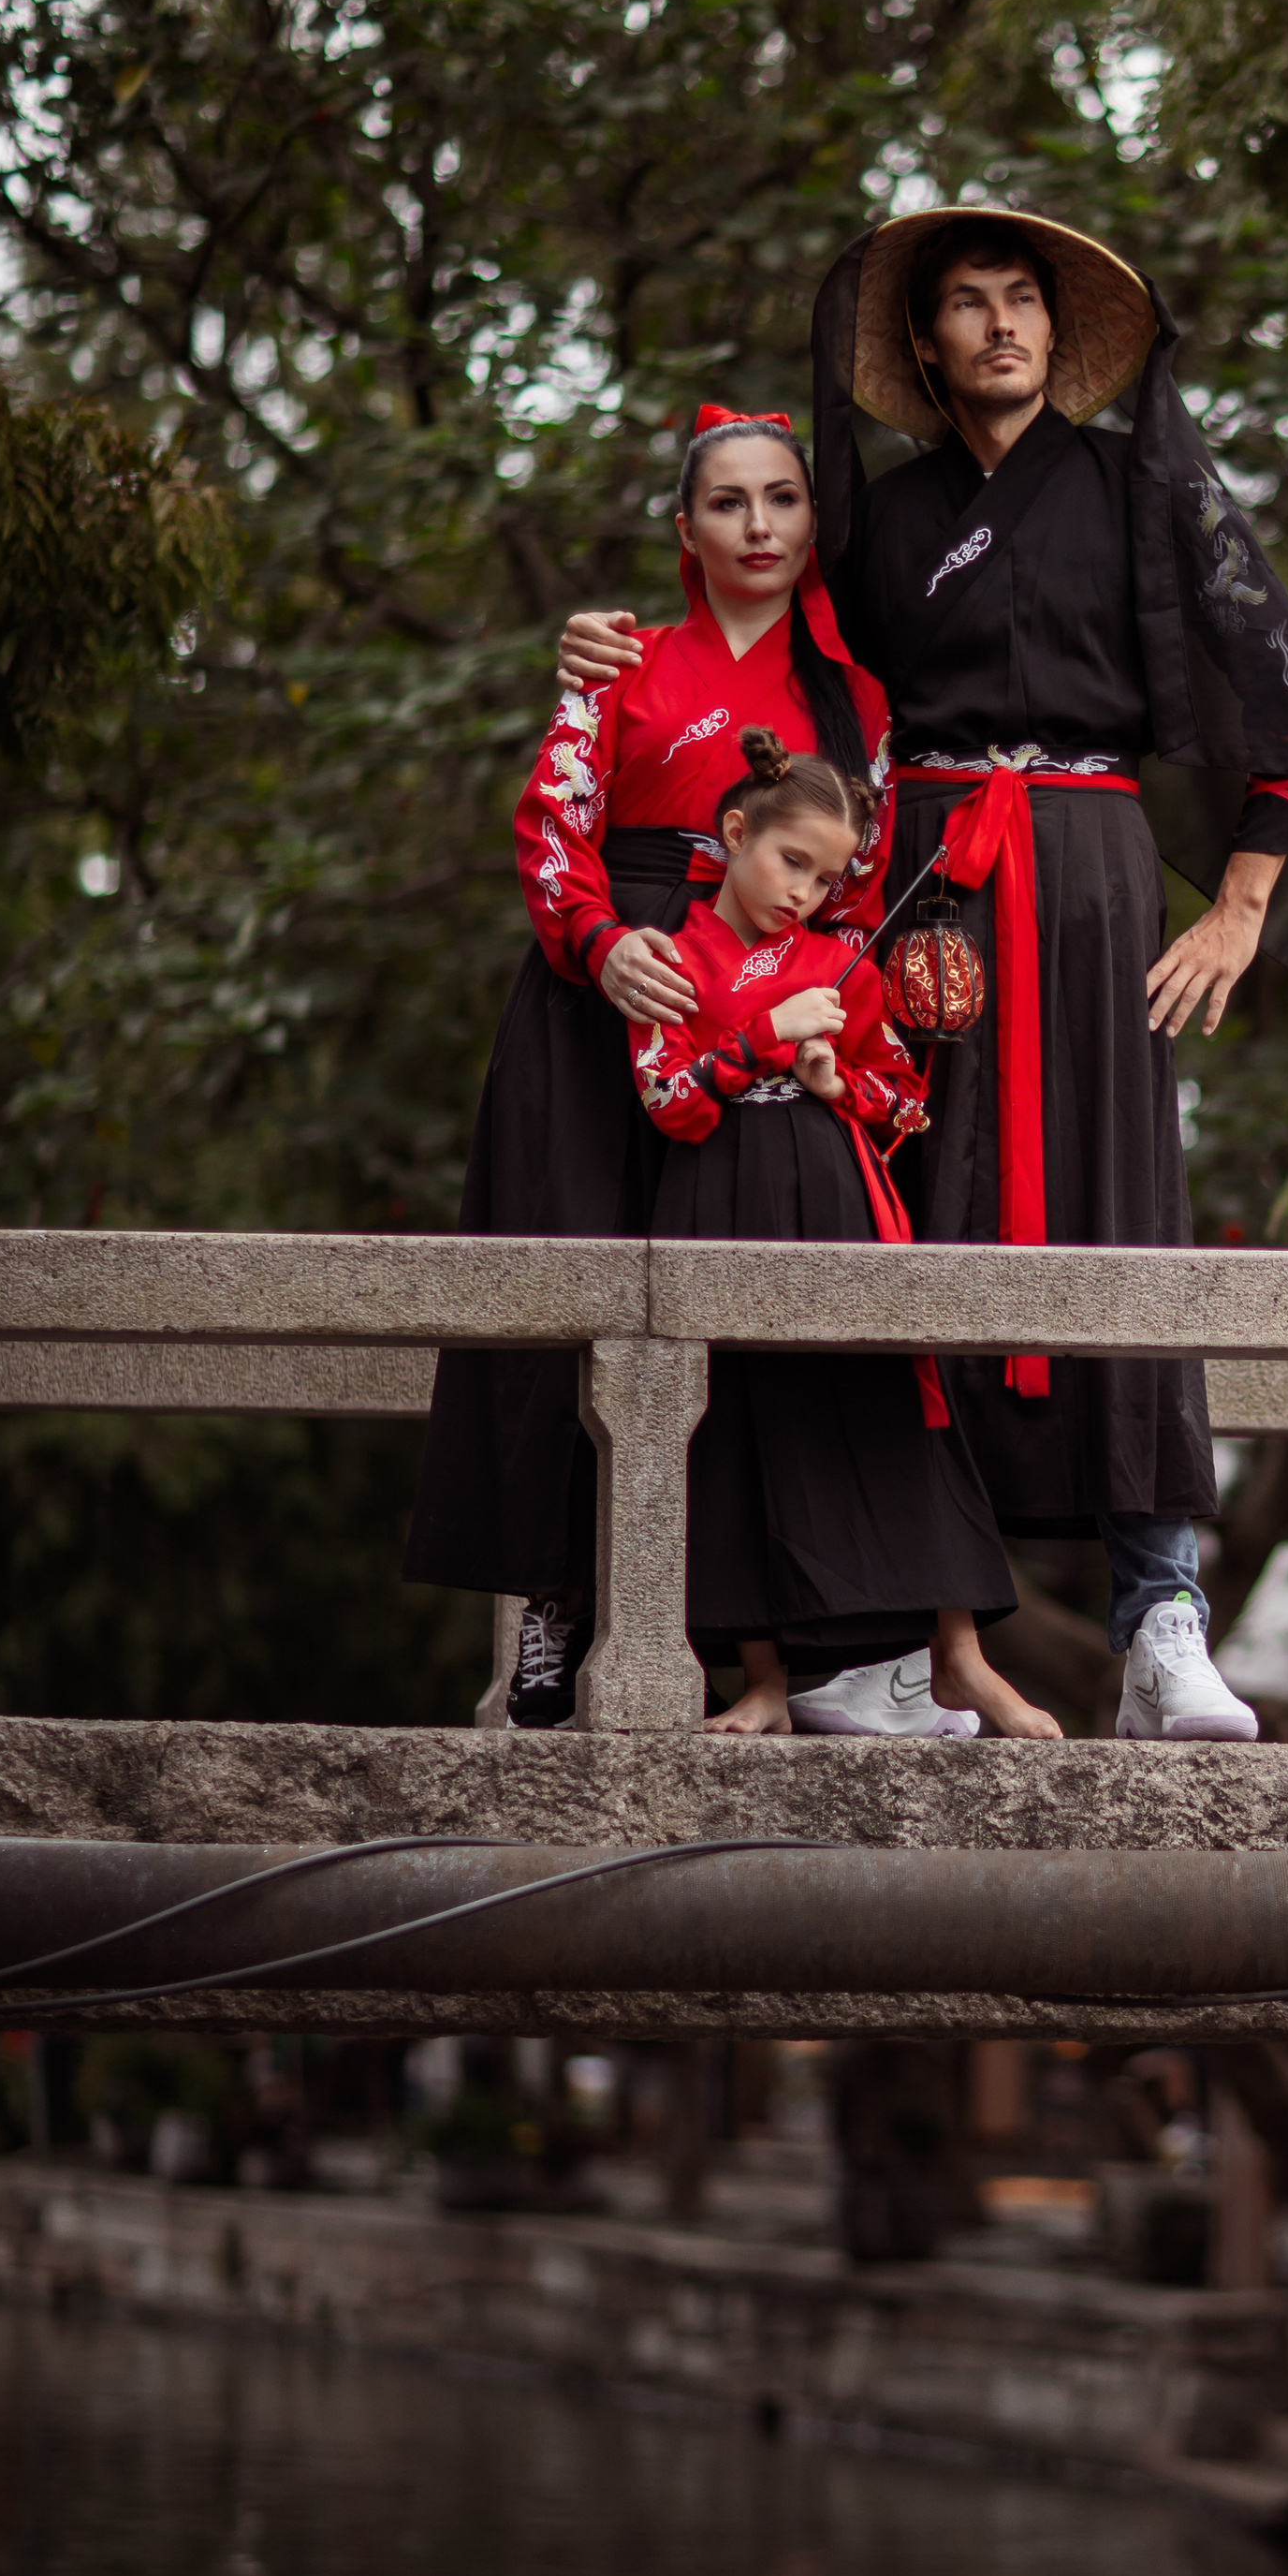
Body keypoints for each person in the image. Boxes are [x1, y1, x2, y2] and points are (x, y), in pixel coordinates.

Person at [556, 210, 1288, 1737]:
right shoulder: (884, 520)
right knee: (906, 1211)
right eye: (964, 303)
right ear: (926, 350)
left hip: (1091, 871)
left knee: (1121, 1209)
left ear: (1057, 334)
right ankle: (890, 1634)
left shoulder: (1141, 491)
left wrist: (1240, 904)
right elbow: (757, 649)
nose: (999, 323)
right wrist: (604, 662)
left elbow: (1280, 691)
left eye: (1022, 300)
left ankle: (1162, 1621)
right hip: (923, 880)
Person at [405, 405, 973, 1738]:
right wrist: (603, 947)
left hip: (762, 1016)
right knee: (569, 1276)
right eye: (728, 502)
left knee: (751, 1321)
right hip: (603, 989)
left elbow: (857, 885)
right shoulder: (619, 662)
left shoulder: (855, 698)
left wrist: (790, 1002)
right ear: (686, 529)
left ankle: (772, 1640)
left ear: (814, 524)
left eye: (783, 498)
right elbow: (553, 827)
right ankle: (556, 1606)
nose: (758, 525)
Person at [630, 729, 1059, 1742]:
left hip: (837, 1197)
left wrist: (837, 1083)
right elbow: (666, 1100)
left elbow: (908, 1105)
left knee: (900, 1411)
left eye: (827, 880)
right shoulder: (669, 954)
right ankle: (765, 1682)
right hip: (718, 1201)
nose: (806, 894)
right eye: (792, 863)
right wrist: (761, 1040)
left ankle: (960, 1658)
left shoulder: (837, 962)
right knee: (739, 1425)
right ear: (736, 831)